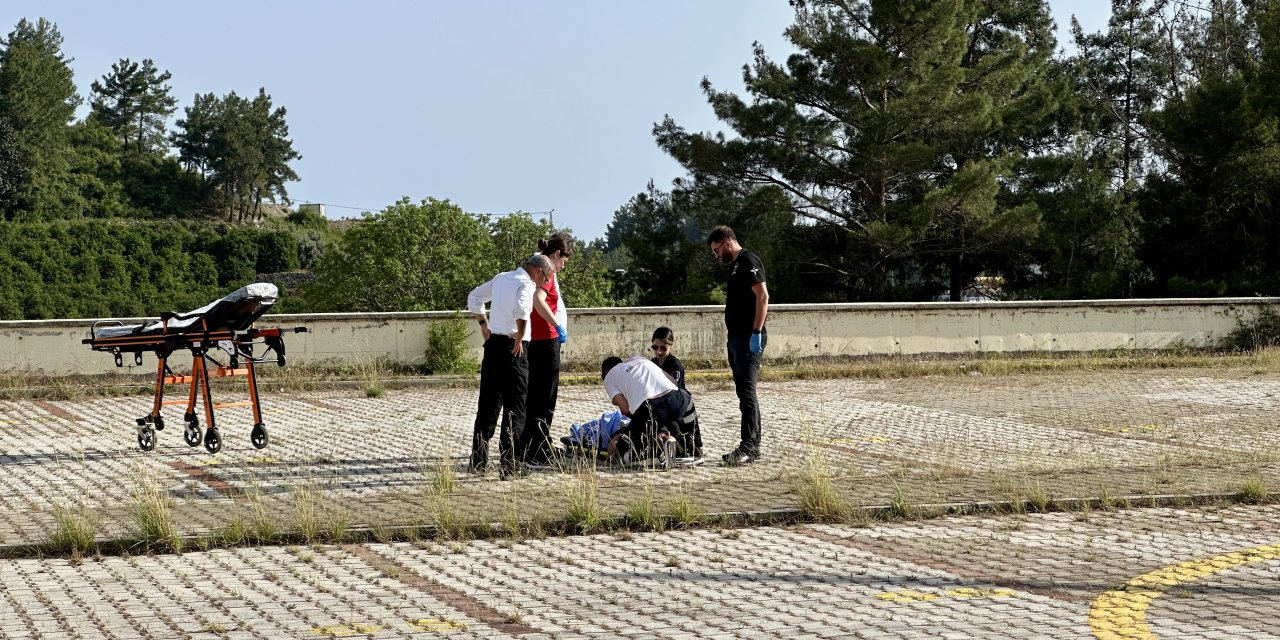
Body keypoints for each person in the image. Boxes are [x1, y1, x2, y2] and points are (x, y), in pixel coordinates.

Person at [466, 253, 553, 480]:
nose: (544, 283)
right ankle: (509, 464)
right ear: (537, 271)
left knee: (488, 405)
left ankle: (478, 461)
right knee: (515, 408)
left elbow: (475, 297)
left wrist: (484, 324)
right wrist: (520, 336)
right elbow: (523, 310)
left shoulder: (501, 278)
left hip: (493, 345)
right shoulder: (525, 284)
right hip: (514, 349)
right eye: (546, 278)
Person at [707, 225, 769, 466]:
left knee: (747, 392)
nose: (716, 255)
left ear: (727, 243)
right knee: (743, 393)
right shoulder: (735, 266)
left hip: (748, 338)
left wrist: (756, 332)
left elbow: (762, 296)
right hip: (736, 339)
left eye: (716, 250)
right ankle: (751, 445)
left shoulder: (747, 261)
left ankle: (750, 446)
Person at [518, 233, 573, 468]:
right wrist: (557, 325)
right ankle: (538, 452)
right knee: (544, 398)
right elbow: (539, 301)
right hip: (545, 341)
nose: (562, 267)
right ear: (557, 254)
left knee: (535, 397)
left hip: (537, 340)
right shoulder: (547, 269)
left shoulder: (537, 265)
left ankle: (533, 445)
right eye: (564, 261)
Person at [601, 355, 701, 468]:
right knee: (687, 400)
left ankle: (652, 456)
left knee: (618, 447)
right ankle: (695, 449)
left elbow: (625, 409)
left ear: (606, 372)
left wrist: (636, 426)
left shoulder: (609, 378)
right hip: (674, 399)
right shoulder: (638, 359)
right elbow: (673, 381)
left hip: (648, 409)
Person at [650, 327, 701, 460]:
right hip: (660, 406)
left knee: (670, 427)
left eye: (663, 348)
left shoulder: (675, 365)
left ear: (670, 347)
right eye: (655, 347)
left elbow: (672, 391)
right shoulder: (652, 363)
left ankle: (682, 447)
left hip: (677, 408)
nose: (659, 351)